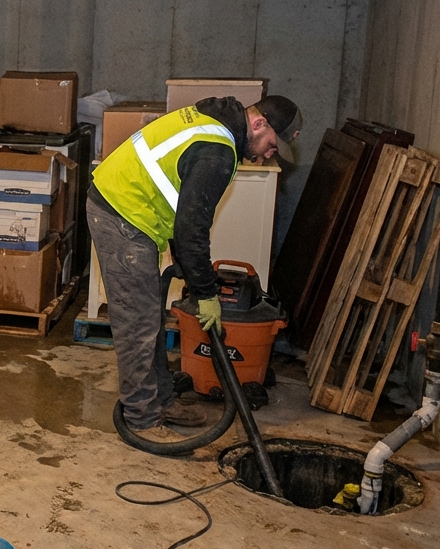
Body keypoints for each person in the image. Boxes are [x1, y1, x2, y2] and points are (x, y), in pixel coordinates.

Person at [88, 94, 302, 444]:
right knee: (139, 324)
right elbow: (192, 226)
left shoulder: (216, 123)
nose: (269, 153)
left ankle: (161, 401)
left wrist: (188, 267)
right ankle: (142, 418)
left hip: (135, 209)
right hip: (121, 212)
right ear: (260, 124)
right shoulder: (217, 149)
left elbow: (177, 194)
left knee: (149, 319)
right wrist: (205, 292)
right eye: (271, 144)